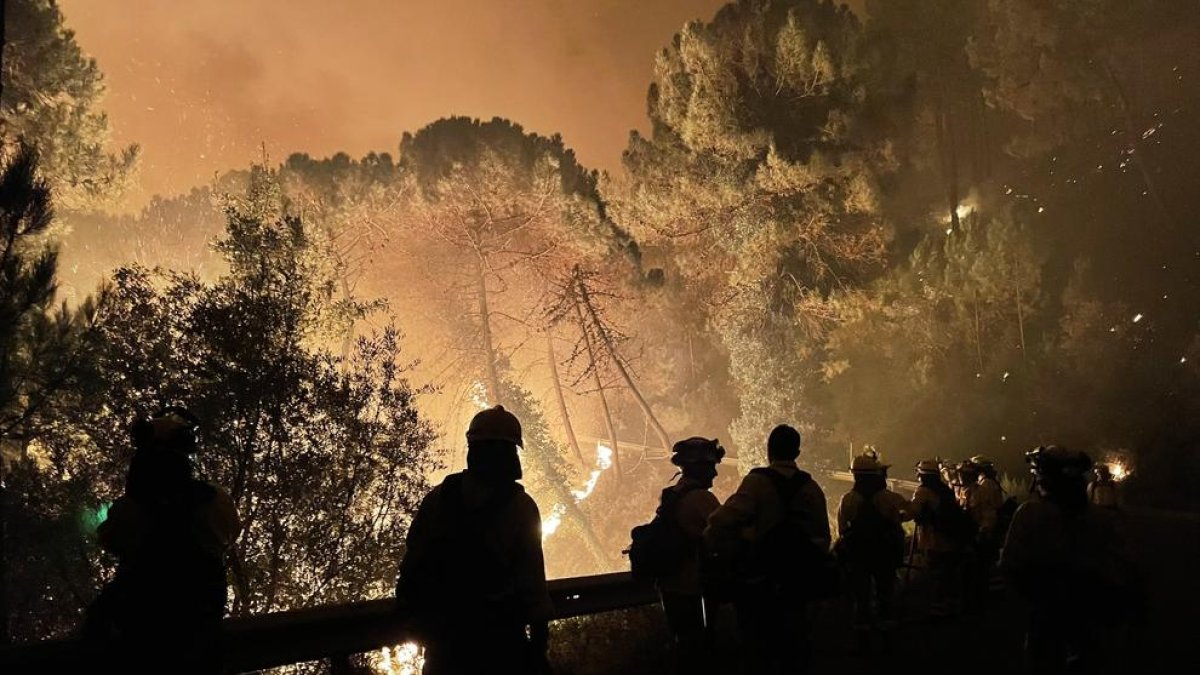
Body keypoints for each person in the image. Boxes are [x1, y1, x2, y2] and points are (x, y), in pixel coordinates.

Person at [396, 405, 553, 675]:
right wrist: (538, 645)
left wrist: (415, 622)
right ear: (510, 453)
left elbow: (412, 564)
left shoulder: (438, 499)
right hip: (499, 642)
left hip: (444, 643)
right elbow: (532, 581)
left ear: (473, 448)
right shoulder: (521, 507)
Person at [88, 407, 241, 674]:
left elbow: (110, 540)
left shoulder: (130, 510)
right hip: (201, 639)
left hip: (143, 644)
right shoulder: (215, 501)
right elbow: (229, 534)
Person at [705, 424, 831, 675]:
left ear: (769, 450)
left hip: (759, 583)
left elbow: (720, 521)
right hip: (799, 584)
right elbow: (823, 537)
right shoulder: (811, 488)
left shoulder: (756, 483)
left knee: (757, 649)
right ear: (797, 452)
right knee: (795, 647)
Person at [1001, 446, 1134, 674]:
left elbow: (1011, 564)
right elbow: (1118, 567)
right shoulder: (1102, 519)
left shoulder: (1029, 514)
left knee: (1042, 660)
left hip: (1046, 608)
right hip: (1088, 609)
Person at [655, 437, 724, 674]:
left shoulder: (673, 494)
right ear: (700, 467)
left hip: (670, 585)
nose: (715, 473)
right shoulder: (702, 499)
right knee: (699, 652)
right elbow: (727, 533)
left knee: (683, 649)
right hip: (692, 588)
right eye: (711, 466)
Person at [834, 452, 911, 639]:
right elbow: (910, 512)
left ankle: (862, 630)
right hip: (884, 551)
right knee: (885, 590)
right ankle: (886, 629)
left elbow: (842, 528)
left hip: (859, 553)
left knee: (861, 593)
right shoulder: (889, 497)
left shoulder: (848, 499)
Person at [912, 459, 970, 618]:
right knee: (949, 572)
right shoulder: (945, 489)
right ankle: (952, 606)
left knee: (937, 574)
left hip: (934, 539)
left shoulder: (923, 491)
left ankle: (938, 610)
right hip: (950, 537)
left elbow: (913, 511)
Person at [965, 455, 1006, 611]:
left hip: (986, 527)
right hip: (991, 525)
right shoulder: (991, 483)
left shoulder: (985, 485)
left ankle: (987, 598)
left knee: (984, 561)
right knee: (989, 560)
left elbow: (975, 504)